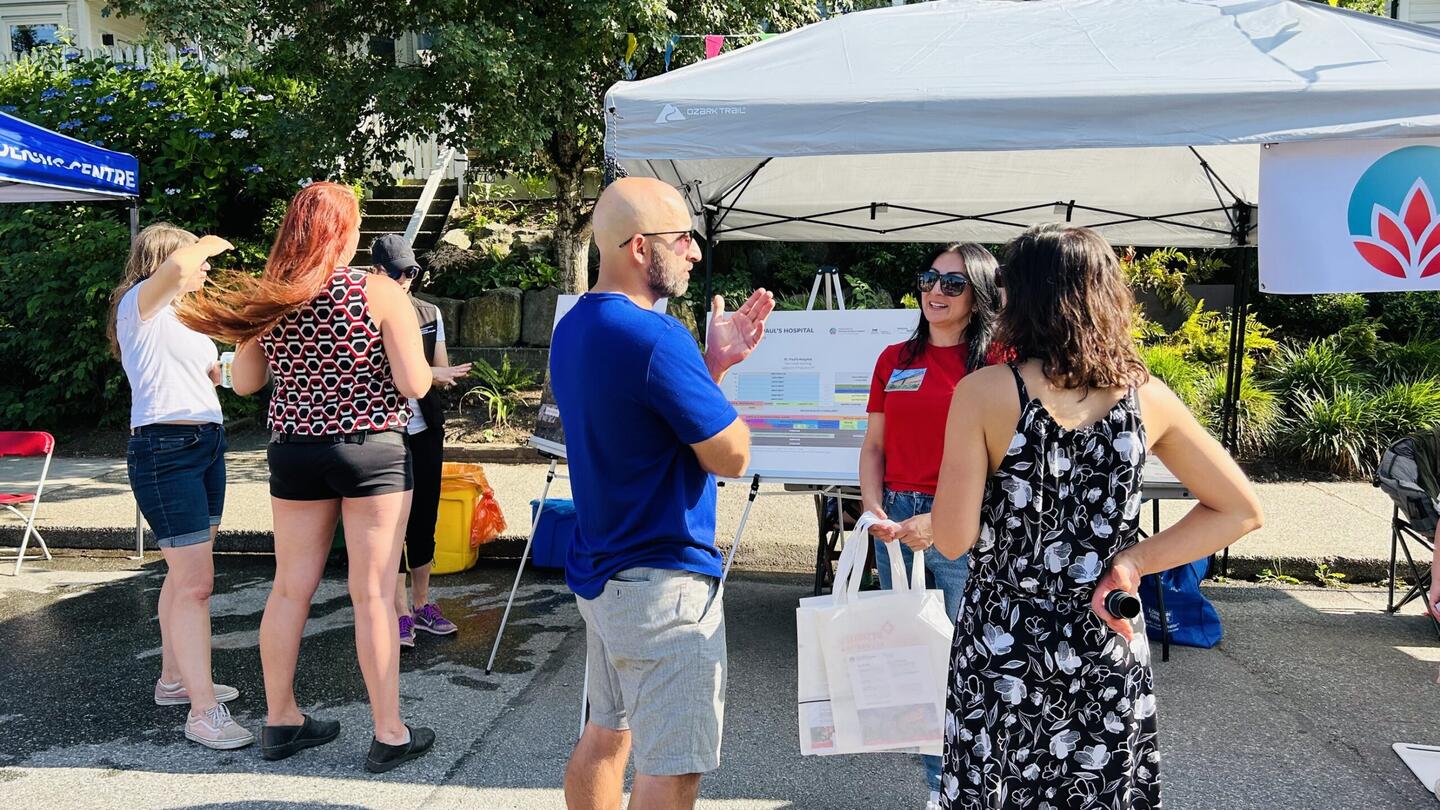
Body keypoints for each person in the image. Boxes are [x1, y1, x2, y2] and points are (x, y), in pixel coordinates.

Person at [921, 224, 1263, 809]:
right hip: (1104, 640)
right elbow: (1240, 509)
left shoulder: (984, 392)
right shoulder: (1144, 395)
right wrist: (1131, 562)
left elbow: (952, 540)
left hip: (1004, 647)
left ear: (1022, 296)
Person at [176, 182, 436, 773]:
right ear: (344, 234)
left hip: (294, 450)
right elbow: (415, 384)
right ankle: (389, 732)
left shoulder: (277, 298)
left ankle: (281, 720)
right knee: (371, 592)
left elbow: (243, 383)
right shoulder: (379, 292)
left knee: (290, 588)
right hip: (371, 450)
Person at [552, 177, 774, 810]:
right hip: (663, 583)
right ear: (640, 247)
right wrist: (714, 380)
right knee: (672, 769)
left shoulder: (576, 326)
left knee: (605, 734)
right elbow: (730, 453)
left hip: (606, 571)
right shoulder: (655, 336)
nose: (695, 253)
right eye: (684, 239)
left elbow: (643, 421)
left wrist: (712, 366)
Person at [858, 242, 1002, 810]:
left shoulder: (997, 364)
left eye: (952, 284)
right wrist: (874, 510)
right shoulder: (894, 358)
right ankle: (942, 791)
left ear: (981, 296)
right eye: (929, 279)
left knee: (971, 669)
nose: (934, 292)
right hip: (896, 522)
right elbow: (874, 447)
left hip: (967, 524)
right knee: (918, 670)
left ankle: (974, 788)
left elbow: (1005, 464)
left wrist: (939, 521)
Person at [110, 224, 253, 750]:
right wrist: (211, 242)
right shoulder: (137, 305)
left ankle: (175, 681)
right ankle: (202, 712)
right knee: (196, 584)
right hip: (164, 449)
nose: (208, 268)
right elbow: (174, 270)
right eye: (201, 261)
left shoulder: (187, 320)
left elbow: (218, 377)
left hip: (206, 444)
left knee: (184, 576)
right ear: (171, 260)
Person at [367, 234, 472, 648]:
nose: (406, 280)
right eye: (397, 273)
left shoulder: (429, 311)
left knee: (424, 516)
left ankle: (423, 603)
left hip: (424, 426)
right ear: (376, 271)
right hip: (384, 431)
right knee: (390, 523)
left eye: (411, 272)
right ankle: (399, 613)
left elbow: (438, 370)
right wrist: (429, 374)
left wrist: (436, 375)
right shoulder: (363, 311)